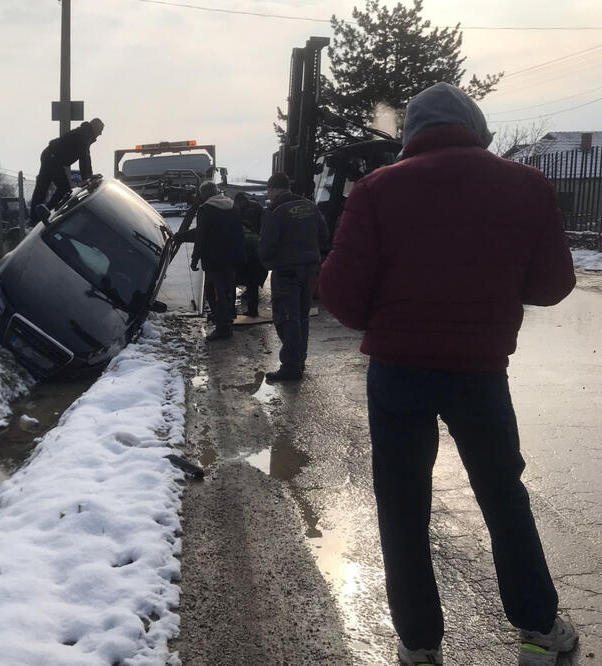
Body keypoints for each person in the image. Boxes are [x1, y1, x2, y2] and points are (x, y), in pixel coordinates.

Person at [318, 82, 577, 666]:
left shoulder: (377, 189)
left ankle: (419, 645)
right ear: (478, 128)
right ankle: (538, 631)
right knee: (503, 497)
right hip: (480, 372)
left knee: (403, 505)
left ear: (410, 134)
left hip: (397, 374)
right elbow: (554, 284)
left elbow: (340, 291)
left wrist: (380, 319)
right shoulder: (526, 186)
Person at [258, 173, 329, 380]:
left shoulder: (275, 211)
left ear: (272, 189)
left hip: (287, 272)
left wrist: (267, 264)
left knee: (287, 318)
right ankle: (300, 359)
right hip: (310, 270)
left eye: (269, 192)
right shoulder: (310, 206)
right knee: (302, 316)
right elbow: (324, 236)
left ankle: (290, 366)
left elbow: (267, 245)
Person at [190, 180, 244, 341]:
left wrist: (195, 258)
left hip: (214, 260)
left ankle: (223, 328)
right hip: (232, 258)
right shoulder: (232, 207)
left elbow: (201, 236)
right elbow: (239, 233)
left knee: (215, 293)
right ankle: (225, 318)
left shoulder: (205, 210)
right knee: (227, 291)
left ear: (204, 195)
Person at [29, 118, 104, 222]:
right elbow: (83, 157)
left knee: (64, 189)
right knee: (43, 187)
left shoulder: (86, 134)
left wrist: (89, 174)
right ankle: (35, 218)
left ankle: (45, 213)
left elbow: (86, 156)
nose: (100, 134)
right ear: (95, 127)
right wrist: (86, 177)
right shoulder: (84, 135)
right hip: (51, 157)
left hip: (55, 159)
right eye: (100, 130)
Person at [233, 192, 268, 316]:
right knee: (252, 284)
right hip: (256, 258)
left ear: (240, 201)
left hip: (245, 259)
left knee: (233, 282)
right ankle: (253, 311)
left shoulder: (247, 213)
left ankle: (231, 312)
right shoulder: (256, 206)